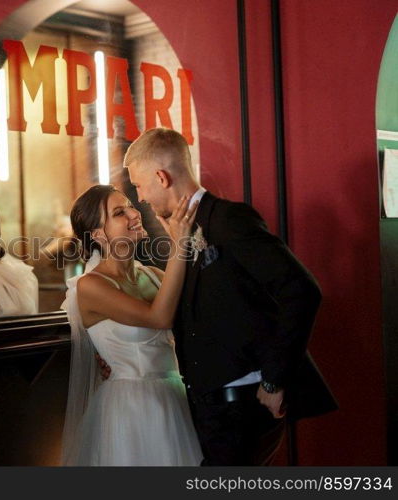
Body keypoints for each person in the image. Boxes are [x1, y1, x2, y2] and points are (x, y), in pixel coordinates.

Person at [122, 127, 336, 465]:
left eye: (139, 185)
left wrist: (273, 381)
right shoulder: (179, 231)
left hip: (242, 407)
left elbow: (302, 290)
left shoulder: (228, 219)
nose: (141, 197)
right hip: (211, 409)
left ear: (161, 178)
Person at [61, 184, 203, 466]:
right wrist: (179, 244)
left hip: (174, 398)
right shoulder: (90, 286)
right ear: (98, 235)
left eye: (129, 206)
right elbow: (157, 318)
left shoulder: (153, 275)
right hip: (130, 406)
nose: (134, 213)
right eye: (119, 212)